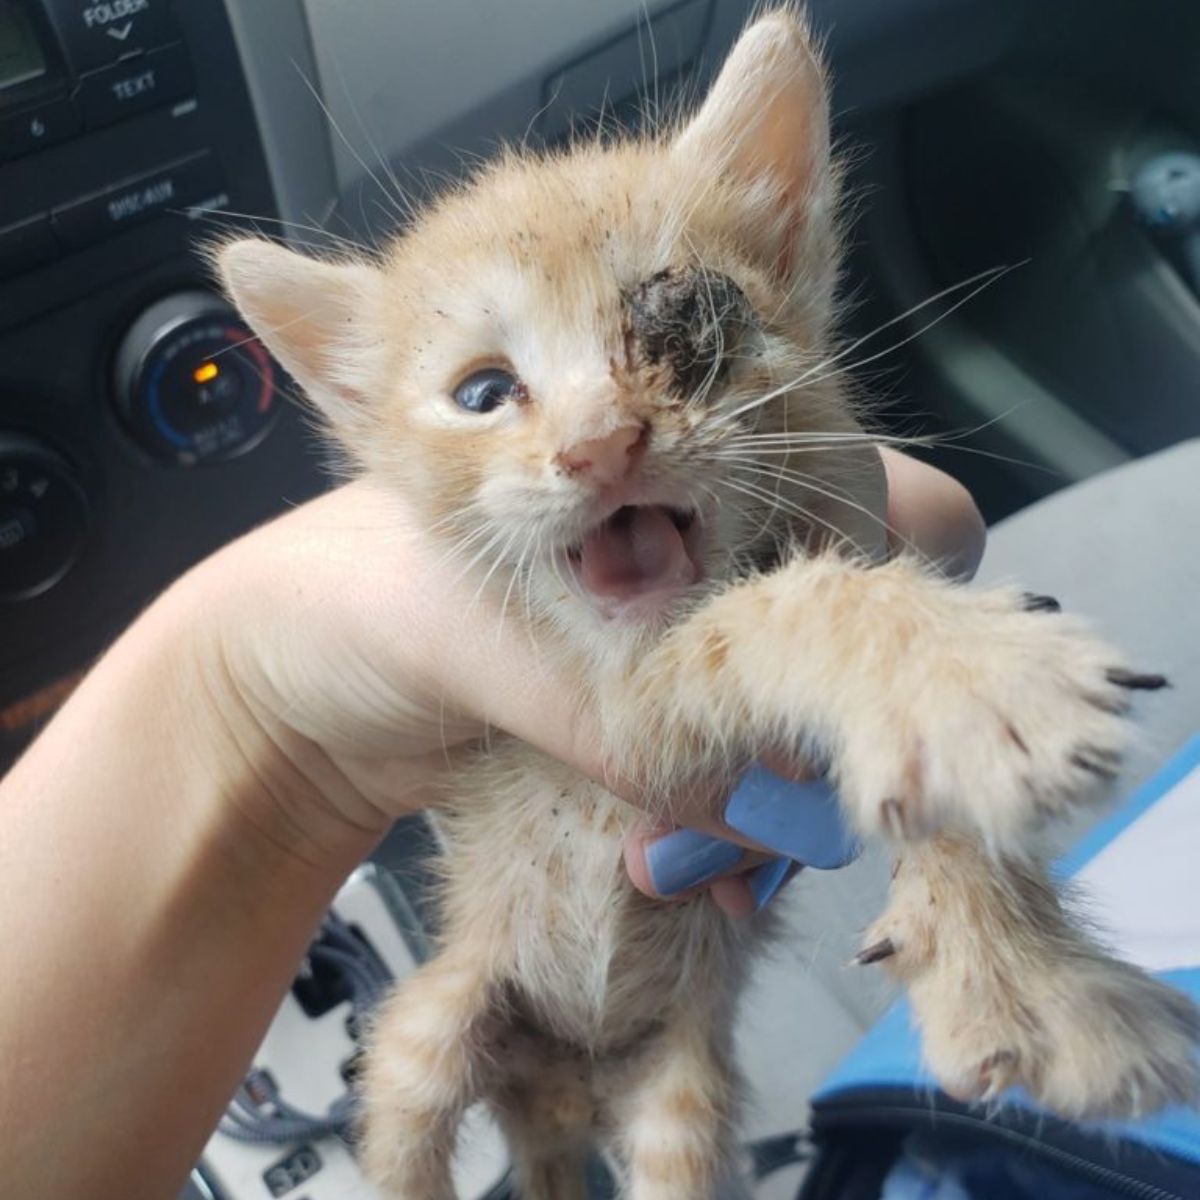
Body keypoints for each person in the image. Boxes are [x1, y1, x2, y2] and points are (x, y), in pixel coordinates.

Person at [0, 450, 983, 1200]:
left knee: (663, 1141)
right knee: (428, 1088)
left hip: (664, 996)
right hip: (512, 973)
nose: (596, 448)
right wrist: (250, 680)